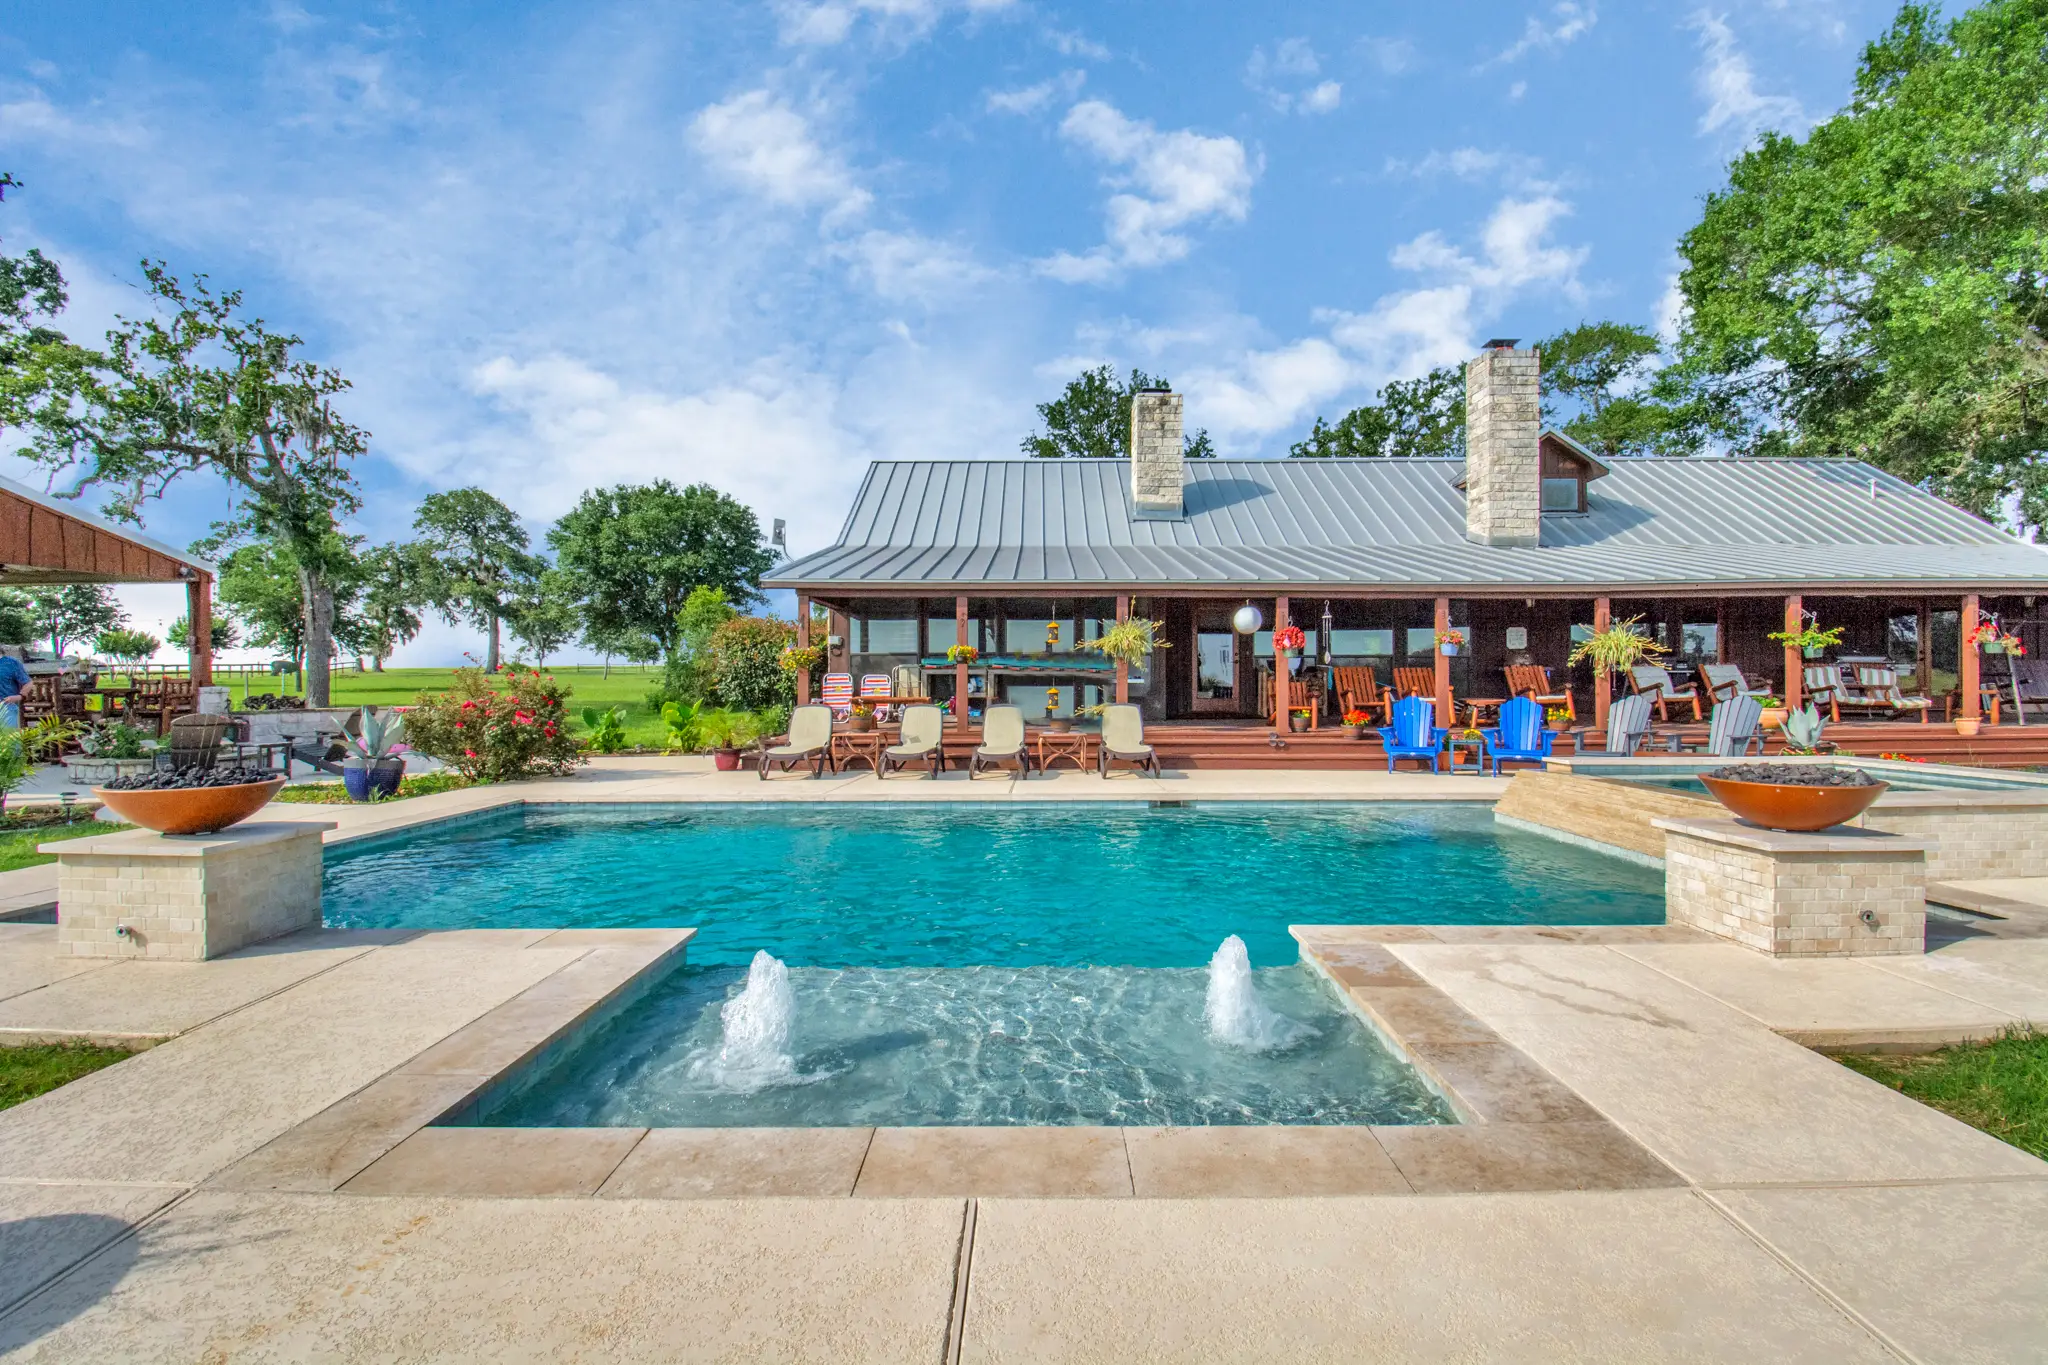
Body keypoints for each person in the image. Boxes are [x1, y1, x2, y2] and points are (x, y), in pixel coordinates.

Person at [0, 652, 28, 729]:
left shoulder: (11, 663)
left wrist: (20, 696)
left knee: (10, 738)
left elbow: (28, 682)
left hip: (7, 707)